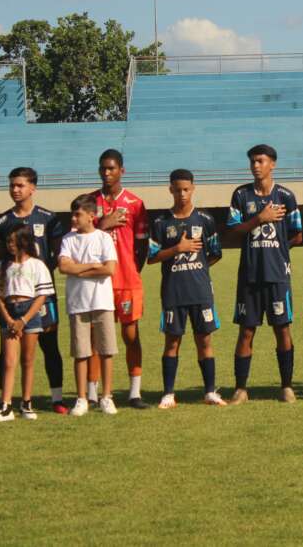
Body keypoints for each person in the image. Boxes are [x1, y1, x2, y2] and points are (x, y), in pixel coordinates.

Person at [0, 167, 69, 414]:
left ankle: (57, 398)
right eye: (12, 185)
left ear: (33, 187)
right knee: (7, 349)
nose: (15, 189)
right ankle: (6, 400)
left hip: (43, 295)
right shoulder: (2, 222)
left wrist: (38, 276)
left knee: (49, 345)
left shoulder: (48, 218)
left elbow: (57, 253)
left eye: (20, 185)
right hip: (13, 297)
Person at [228, 144, 303, 404]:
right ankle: (240, 389)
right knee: (246, 331)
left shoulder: (286, 196)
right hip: (249, 276)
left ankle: (287, 387)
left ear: (273, 164)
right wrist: (260, 219)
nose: (255, 166)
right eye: (252, 161)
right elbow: (234, 230)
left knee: (282, 329)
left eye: (260, 161)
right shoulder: (240, 195)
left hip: (277, 276)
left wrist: (277, 252)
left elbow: (297, 234)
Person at [148, 169, 226, 409]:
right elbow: (151, 257)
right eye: (177, 190)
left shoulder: (205, 219)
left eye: (186, 189)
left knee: (205, 341)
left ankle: (210, 392)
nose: (182, 194)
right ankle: (168, 394)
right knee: (172, 342)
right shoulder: (161, 222)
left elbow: (215, 253)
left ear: (193, 189)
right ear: (170, 190)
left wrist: (197, 268)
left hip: (200, 291)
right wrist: (177, 249)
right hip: (173, 292)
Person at [92, 149, 150, 409]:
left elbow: (142, 244)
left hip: (126, 281)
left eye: (111, 168)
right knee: (96, 339)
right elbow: (79, 237)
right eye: (103, 168)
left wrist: (132, 270)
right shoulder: (89, 202)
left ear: (121, 171)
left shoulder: (135, 203)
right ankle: (92, 394)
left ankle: (134, 393)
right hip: (97, 282)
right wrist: (102, 224)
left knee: (130, 336)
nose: (107, 173)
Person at [57, 194, 119, 416]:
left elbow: (109, 269)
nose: (73, 218)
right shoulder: (68, 239)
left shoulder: (103, 238)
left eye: (78, 214)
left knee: (106, 350)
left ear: (92, 215)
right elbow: (64, 267)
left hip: (102, 301)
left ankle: (106, 396)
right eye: (72, 214)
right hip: (78, 303)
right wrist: (92, 265)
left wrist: (79, 268)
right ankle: (82, 398)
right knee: (80, 352)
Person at [0, 225, 55, 422]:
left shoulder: (37, 265)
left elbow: (42, 296)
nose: (10, 245)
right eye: (8, 241)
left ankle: (26, 403)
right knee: (9, 361)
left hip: (30, 313)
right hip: (9, 313)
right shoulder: (3, 266)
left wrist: (24, 320)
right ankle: (6, 406)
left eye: (14, 241)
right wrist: (9, 320)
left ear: (24, 241)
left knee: (27, 360)